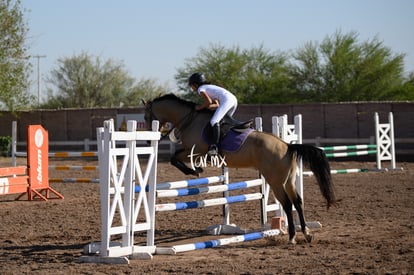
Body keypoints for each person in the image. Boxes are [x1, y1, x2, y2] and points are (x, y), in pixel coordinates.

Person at [188, 72, 238, 156]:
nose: (192, 88)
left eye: (191, 85)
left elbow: (209, 101)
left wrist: (199, 107)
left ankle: (214, 147)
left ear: (195, 84)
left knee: (214, 121)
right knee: (224, 122)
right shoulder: (210, 87)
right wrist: (207, 107)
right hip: (233, 100)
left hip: (227, 101)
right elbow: (216, 105)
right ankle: (226, 142)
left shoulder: (201, 89)